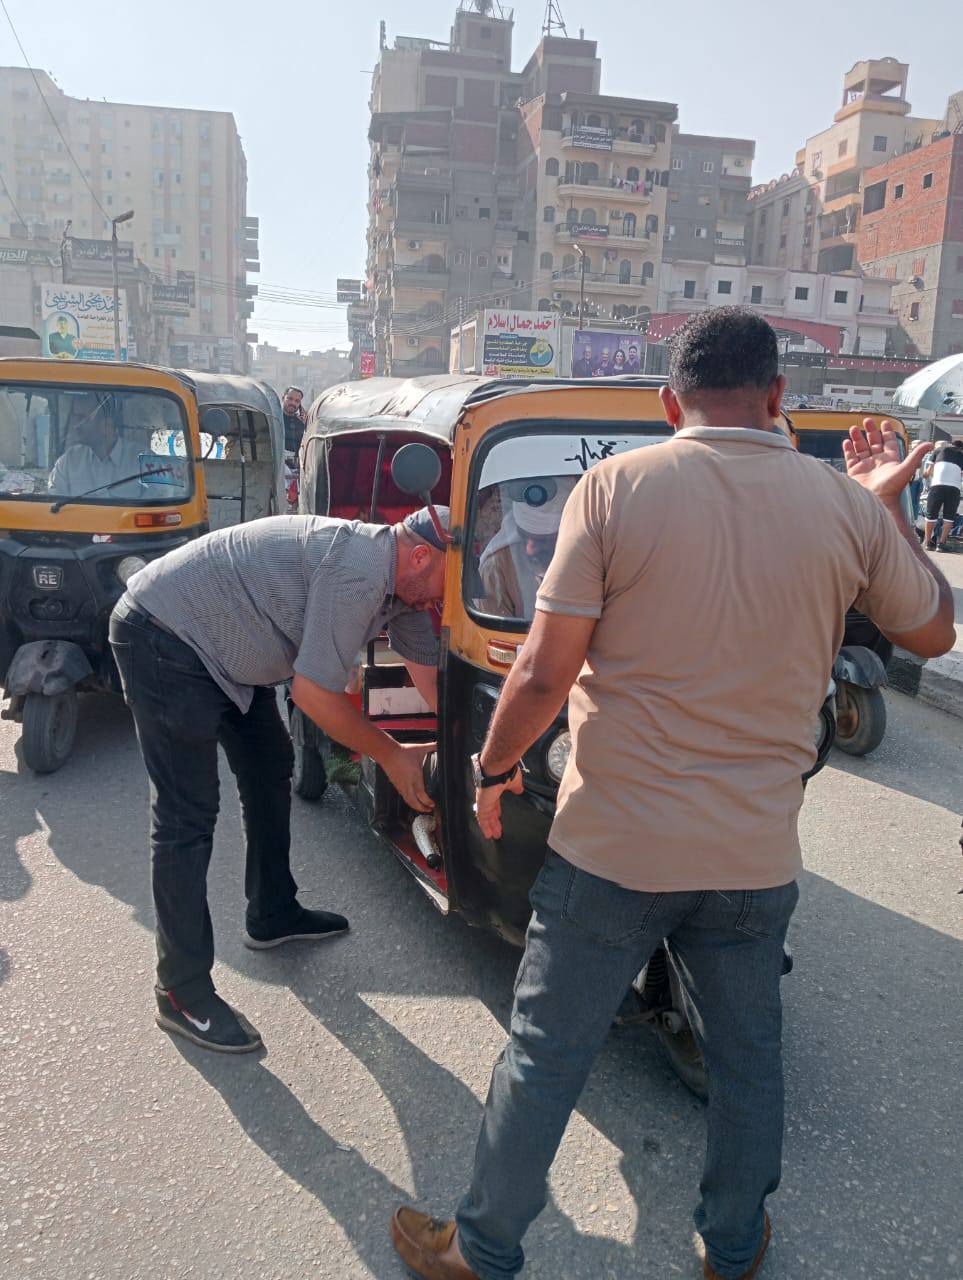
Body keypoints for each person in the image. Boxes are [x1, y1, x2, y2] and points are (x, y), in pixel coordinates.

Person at [388, 308, 955, 1280]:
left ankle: (480, 1248)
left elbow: (542, 672)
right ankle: (731, 1246)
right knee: (746, 1062)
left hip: (612, 847)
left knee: (546, 1052)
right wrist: (886, 507)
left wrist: (487, 770)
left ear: (667, 403)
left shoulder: (616, 487)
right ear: (777, 396)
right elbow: (935, 630)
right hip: (752, 860)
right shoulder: (844, 507)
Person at [109, 508, 449, 1054]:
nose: (442, 601)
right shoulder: (361, 570)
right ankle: (180, 991)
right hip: (165, 636)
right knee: (185, 818)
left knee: (270, 767)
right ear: (421, 556)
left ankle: (271, 912)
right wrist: (392, 755)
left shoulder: (405, 593)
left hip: (225, 651)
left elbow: (431, 683)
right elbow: (313, 695)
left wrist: (477, 753)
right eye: (446, 585)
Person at [477, 481, 574, 619]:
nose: (529, 550)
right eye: (523, 537)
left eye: (541, 542)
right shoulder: (497, 568)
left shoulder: (591, 562)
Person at [47, 392, 147, 498]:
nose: (76, 425)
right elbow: (54, 500)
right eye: (76, 418)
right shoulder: (69, 461)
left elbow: (157, 496)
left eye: (83, 419)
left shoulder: (143, 460)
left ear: (107, 424)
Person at [922, 437, 963, 550]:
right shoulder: (961, 454)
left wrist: (926, 476)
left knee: (930, 516)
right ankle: (941, 544)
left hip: (937, 486)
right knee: (948, 518)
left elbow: (927, 472)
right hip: (954, 488)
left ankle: (928, 542)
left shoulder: (938, 451)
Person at [281, 386, 307, 455]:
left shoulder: (301, 422)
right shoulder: (275, 419)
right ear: (283, 399)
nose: (293, 403)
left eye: (297, 401)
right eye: (290, 399)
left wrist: (306, 425)